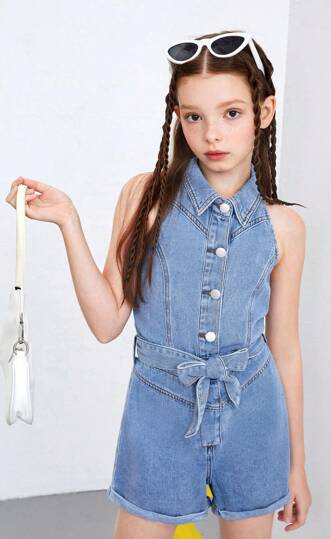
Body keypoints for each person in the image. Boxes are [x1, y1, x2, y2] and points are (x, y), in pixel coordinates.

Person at [5, 29, 312, 539]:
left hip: (254, 416)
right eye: (194, 116)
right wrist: (67, 221)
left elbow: (285, 348)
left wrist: (296, 464)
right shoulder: (145, 199)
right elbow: (107, 322)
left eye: (231, 113)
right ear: (177, 117)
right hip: (159, 410)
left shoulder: (284, 228)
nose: (212, 134)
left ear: (264, 112)